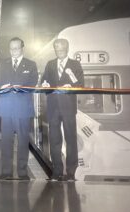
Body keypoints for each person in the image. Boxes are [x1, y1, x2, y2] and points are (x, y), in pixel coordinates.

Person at [0, 37, 38, 180]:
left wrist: (22, 88)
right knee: (6, 141)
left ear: (22, 48)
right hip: (6, 108)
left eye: (16, 48)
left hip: (23, 109)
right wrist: (1, 88)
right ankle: (6, 172)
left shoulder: (31, 65)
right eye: (11, 48)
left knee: (23, 141)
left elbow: (33, 84)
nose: (13, 51)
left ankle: (23, 173)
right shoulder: (2, 64)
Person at [41, 38, 84, 181]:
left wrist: (71, 87)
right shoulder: (50, 64)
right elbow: (43, 81)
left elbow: (80, 84)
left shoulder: (75, 64)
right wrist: (45, 85)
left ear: (67, 49)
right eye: (56, 49)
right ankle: (57, 172)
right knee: (54, 141)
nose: (58, 52)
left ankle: (71, 173)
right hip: (53, 107)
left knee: (71, 140)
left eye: (61, 49)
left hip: (68, 108)